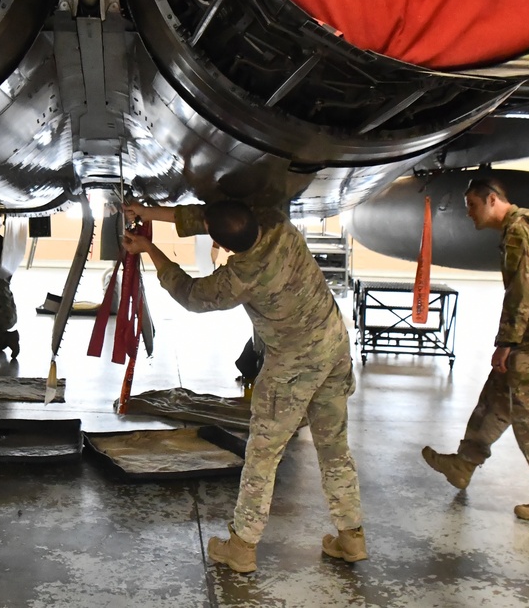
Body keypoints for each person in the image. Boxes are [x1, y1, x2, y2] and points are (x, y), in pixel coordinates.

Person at [122, 199, 365, 572]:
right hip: (333, 347)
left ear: (222, 244)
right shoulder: (279, 224)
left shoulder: (239, 276)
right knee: (334, 445)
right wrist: (150, 213)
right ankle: (351, 536)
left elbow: (189, 293)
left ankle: (242, 546)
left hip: (292, 367)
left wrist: (149, 248)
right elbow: (215, 218)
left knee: (262, 456)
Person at [422, 178, 529, 522]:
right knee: (497, 396)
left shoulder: (518, 230)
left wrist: (507, 341)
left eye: (472, 206)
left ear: (492, 200)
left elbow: (523, 287)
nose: (468, 214)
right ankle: (464, 463)